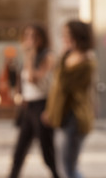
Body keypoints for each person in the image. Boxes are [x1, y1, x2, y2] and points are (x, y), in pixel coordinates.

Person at [42, 20, 95, 178]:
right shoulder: (69, 57)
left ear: (77, 36)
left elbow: (65, 86)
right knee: (63, 167)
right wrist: (50, 112)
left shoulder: (87, 61)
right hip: (63, 117)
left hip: (74, 117)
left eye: (67, 34)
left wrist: (63, 57)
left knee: (68, 168)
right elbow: (56, 89)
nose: (64, 38)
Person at [8, 25, 59, 178]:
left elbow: (33, 78)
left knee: (47, 153)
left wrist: (29, 55)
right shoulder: (29, 56)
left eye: (33, 36)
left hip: (42, 106)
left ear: (41, 38)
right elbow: (23, 81)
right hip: (29, 107)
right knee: (19, 151)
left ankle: (58, 174)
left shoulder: (47, 56)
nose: (29, 40)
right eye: (27, 36)